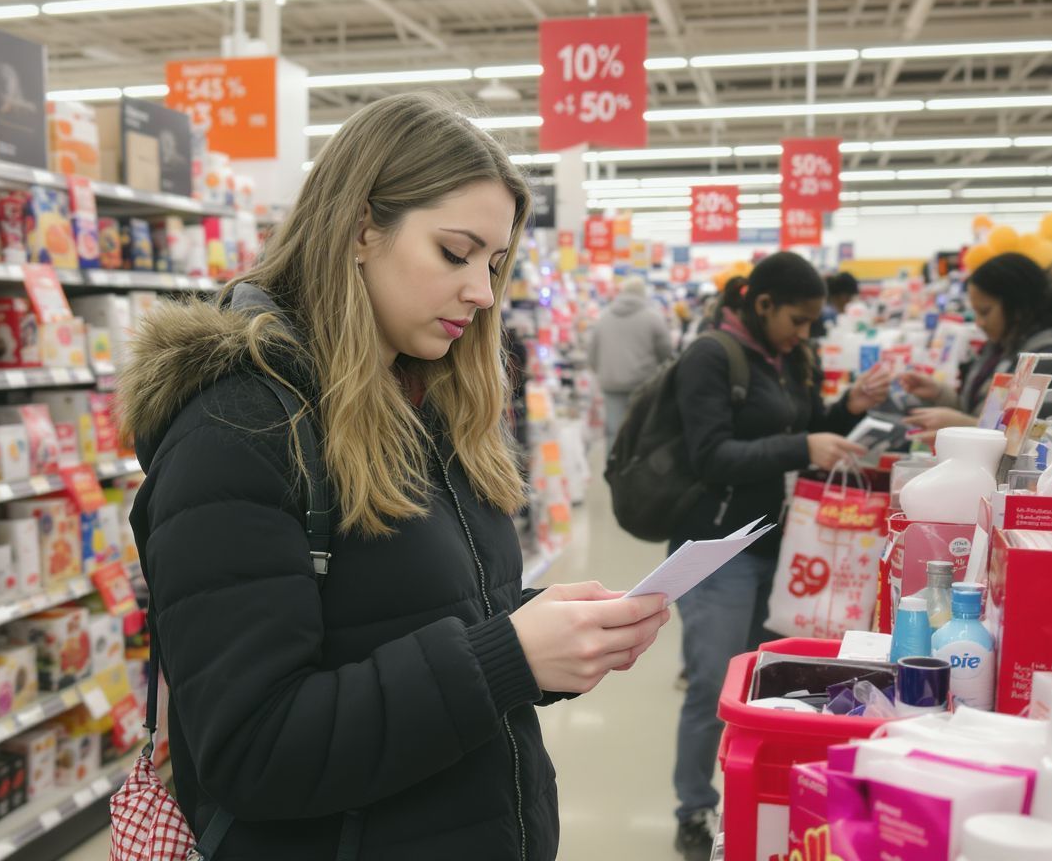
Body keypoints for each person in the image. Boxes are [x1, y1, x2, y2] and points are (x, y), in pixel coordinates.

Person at [117, 93, 671, 861]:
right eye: (455, 252)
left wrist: (545, 631)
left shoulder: (425, 403)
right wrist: (507, 656)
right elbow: (250, 752)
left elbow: (405, 618)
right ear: (359, 228)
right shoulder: (239, 430)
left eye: (496, 262)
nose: (482, 292)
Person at [668, 252, 889, 860]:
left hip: (780, 542)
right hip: (716, 548)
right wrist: (802, 443)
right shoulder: (711, 356)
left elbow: (808, 427)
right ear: (761, 304)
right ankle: (693, 805)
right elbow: (710, 455)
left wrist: (847, 409)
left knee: (774, 681)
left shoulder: (792, 356)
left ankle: (759, 793)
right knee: (714, 682)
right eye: (798, 318)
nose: (805, 331)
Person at [903, 252, 1052, 433]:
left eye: (985, 312)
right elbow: (987, 411)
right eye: (976, 313)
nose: (979, 323)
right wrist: (939, 393)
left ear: (1017, 306)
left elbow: (1043, 441)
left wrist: (964, 426)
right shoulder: (1004, 344)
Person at [589, 275, 675, 446]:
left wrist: (604, 372)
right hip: (644, 384)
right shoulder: (653, 317)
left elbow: (592, 355)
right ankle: (638, 470)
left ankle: (613, 470)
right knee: (643, 431)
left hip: (611, 384)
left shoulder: (603, 317)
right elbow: (666, 354)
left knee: (615, 433)